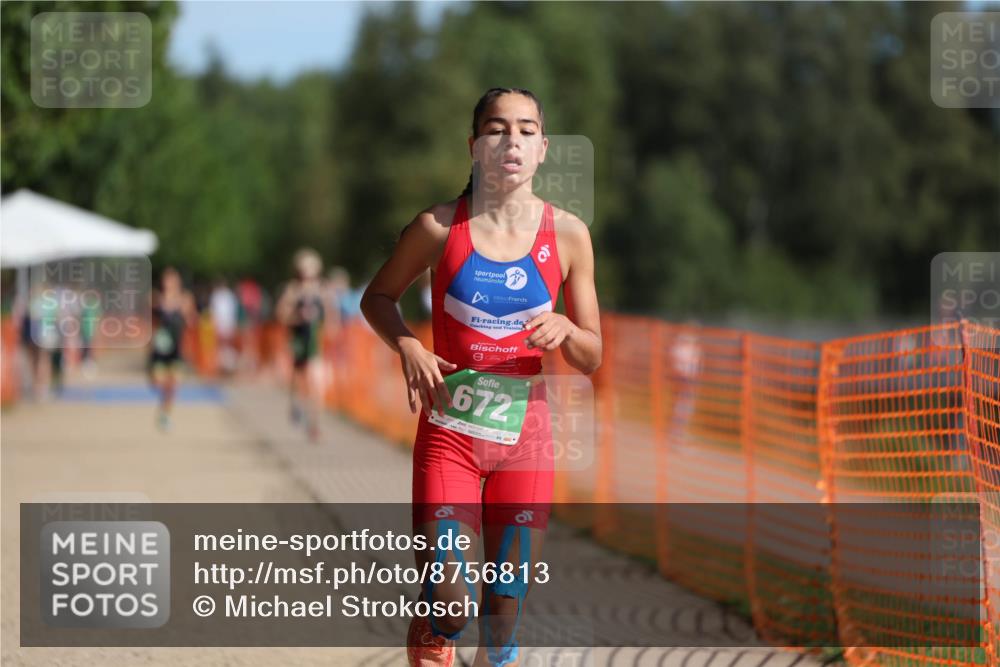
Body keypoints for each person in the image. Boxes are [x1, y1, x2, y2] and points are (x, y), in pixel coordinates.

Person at [361, 87, 602, 667]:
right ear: (474, 146)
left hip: (527, 442)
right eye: (496, 129)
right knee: (450, 602)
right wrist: (409, 346)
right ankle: (432, 633)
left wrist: (568, 329)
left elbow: (593, 355)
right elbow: (378, 298)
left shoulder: (568, 235)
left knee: (502, 613)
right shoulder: (438, 228)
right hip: (451, 436)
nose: (510, 140)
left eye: (524, 129)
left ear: (543, 148)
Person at [277, 248, 327, 442]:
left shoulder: (320, 290)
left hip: (315, 343)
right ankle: (295, 405)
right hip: (298, 341)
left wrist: (331, 326)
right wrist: (297, 317)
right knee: (298, 378)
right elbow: (281, 314)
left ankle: (314, 424)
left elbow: (330, 311)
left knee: (316, 383)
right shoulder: (293, 290)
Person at [148, 267, 196, 431]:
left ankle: (165, 414)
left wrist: (187, 314)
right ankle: (163, 403)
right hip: (159, 350)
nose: (169, 283)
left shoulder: (185, 299)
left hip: (176, 349)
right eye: (166, 280)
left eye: (172, 280)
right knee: (157, 382)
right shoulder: (156, 299)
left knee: (173, 384)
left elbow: (191, 321)